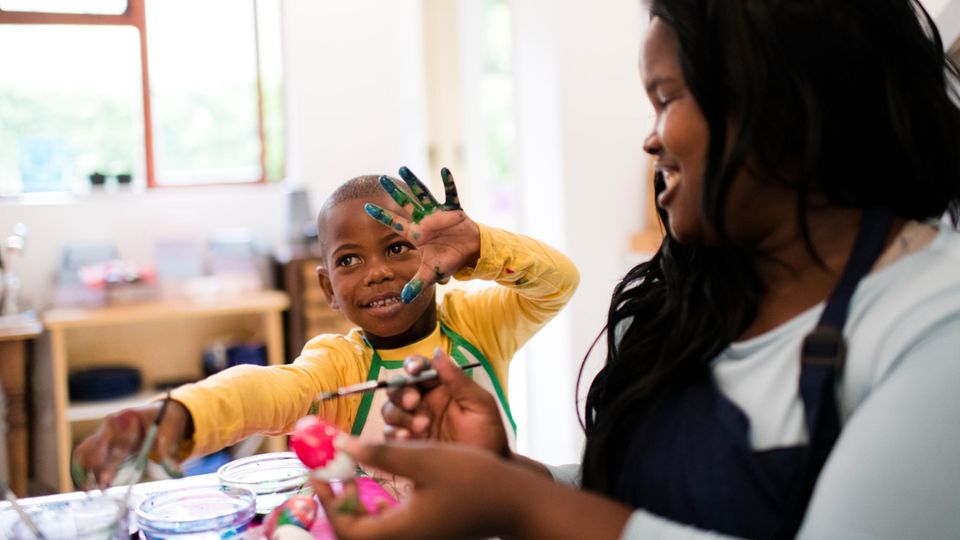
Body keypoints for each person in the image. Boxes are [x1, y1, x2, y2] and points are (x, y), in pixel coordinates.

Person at [309, 0, 960, 538]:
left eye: (666, 98)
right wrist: (511, 472)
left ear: (784, 102)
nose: (650, 140)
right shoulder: (669, 300)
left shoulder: (934, 332)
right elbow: (619, 502)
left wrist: (521, 504)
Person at [71, 167, 579, 495]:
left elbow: (557, 281)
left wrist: (480, 247)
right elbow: (264, 390)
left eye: (398, 247)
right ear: (328, 288)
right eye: (350, 259)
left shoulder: (478, 324)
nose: (377, 271)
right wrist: (180, 413)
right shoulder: (338, 364)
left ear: (434, 250)